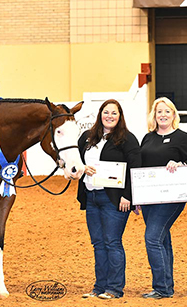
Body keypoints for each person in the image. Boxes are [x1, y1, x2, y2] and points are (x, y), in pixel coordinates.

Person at [76, 99, 142, 299]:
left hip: (114, 199)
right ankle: (99, 287)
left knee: (112, 242)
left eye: (114, 113)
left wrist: (128, 196)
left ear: (120, 116)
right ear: (100, 114)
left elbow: (135, 168)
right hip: (91, 196)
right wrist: (81, 168)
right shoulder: (86, 138)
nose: (110, 116)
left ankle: (114, 288)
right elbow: (76, 161)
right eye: (106, 112)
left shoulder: (127, 139)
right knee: (98, 243)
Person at [140, 97, 187, 299]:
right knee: (162, 239)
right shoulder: (148, 138)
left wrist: (180, 164)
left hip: (171, 198)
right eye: (159, 111)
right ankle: (166, 286)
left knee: (152, 238)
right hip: (149, 197)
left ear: (174, 114)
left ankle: (161, 288)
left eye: (167, 111)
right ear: (154, 115)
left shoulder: (182, 137)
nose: (163, 115)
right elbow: (140, 168)